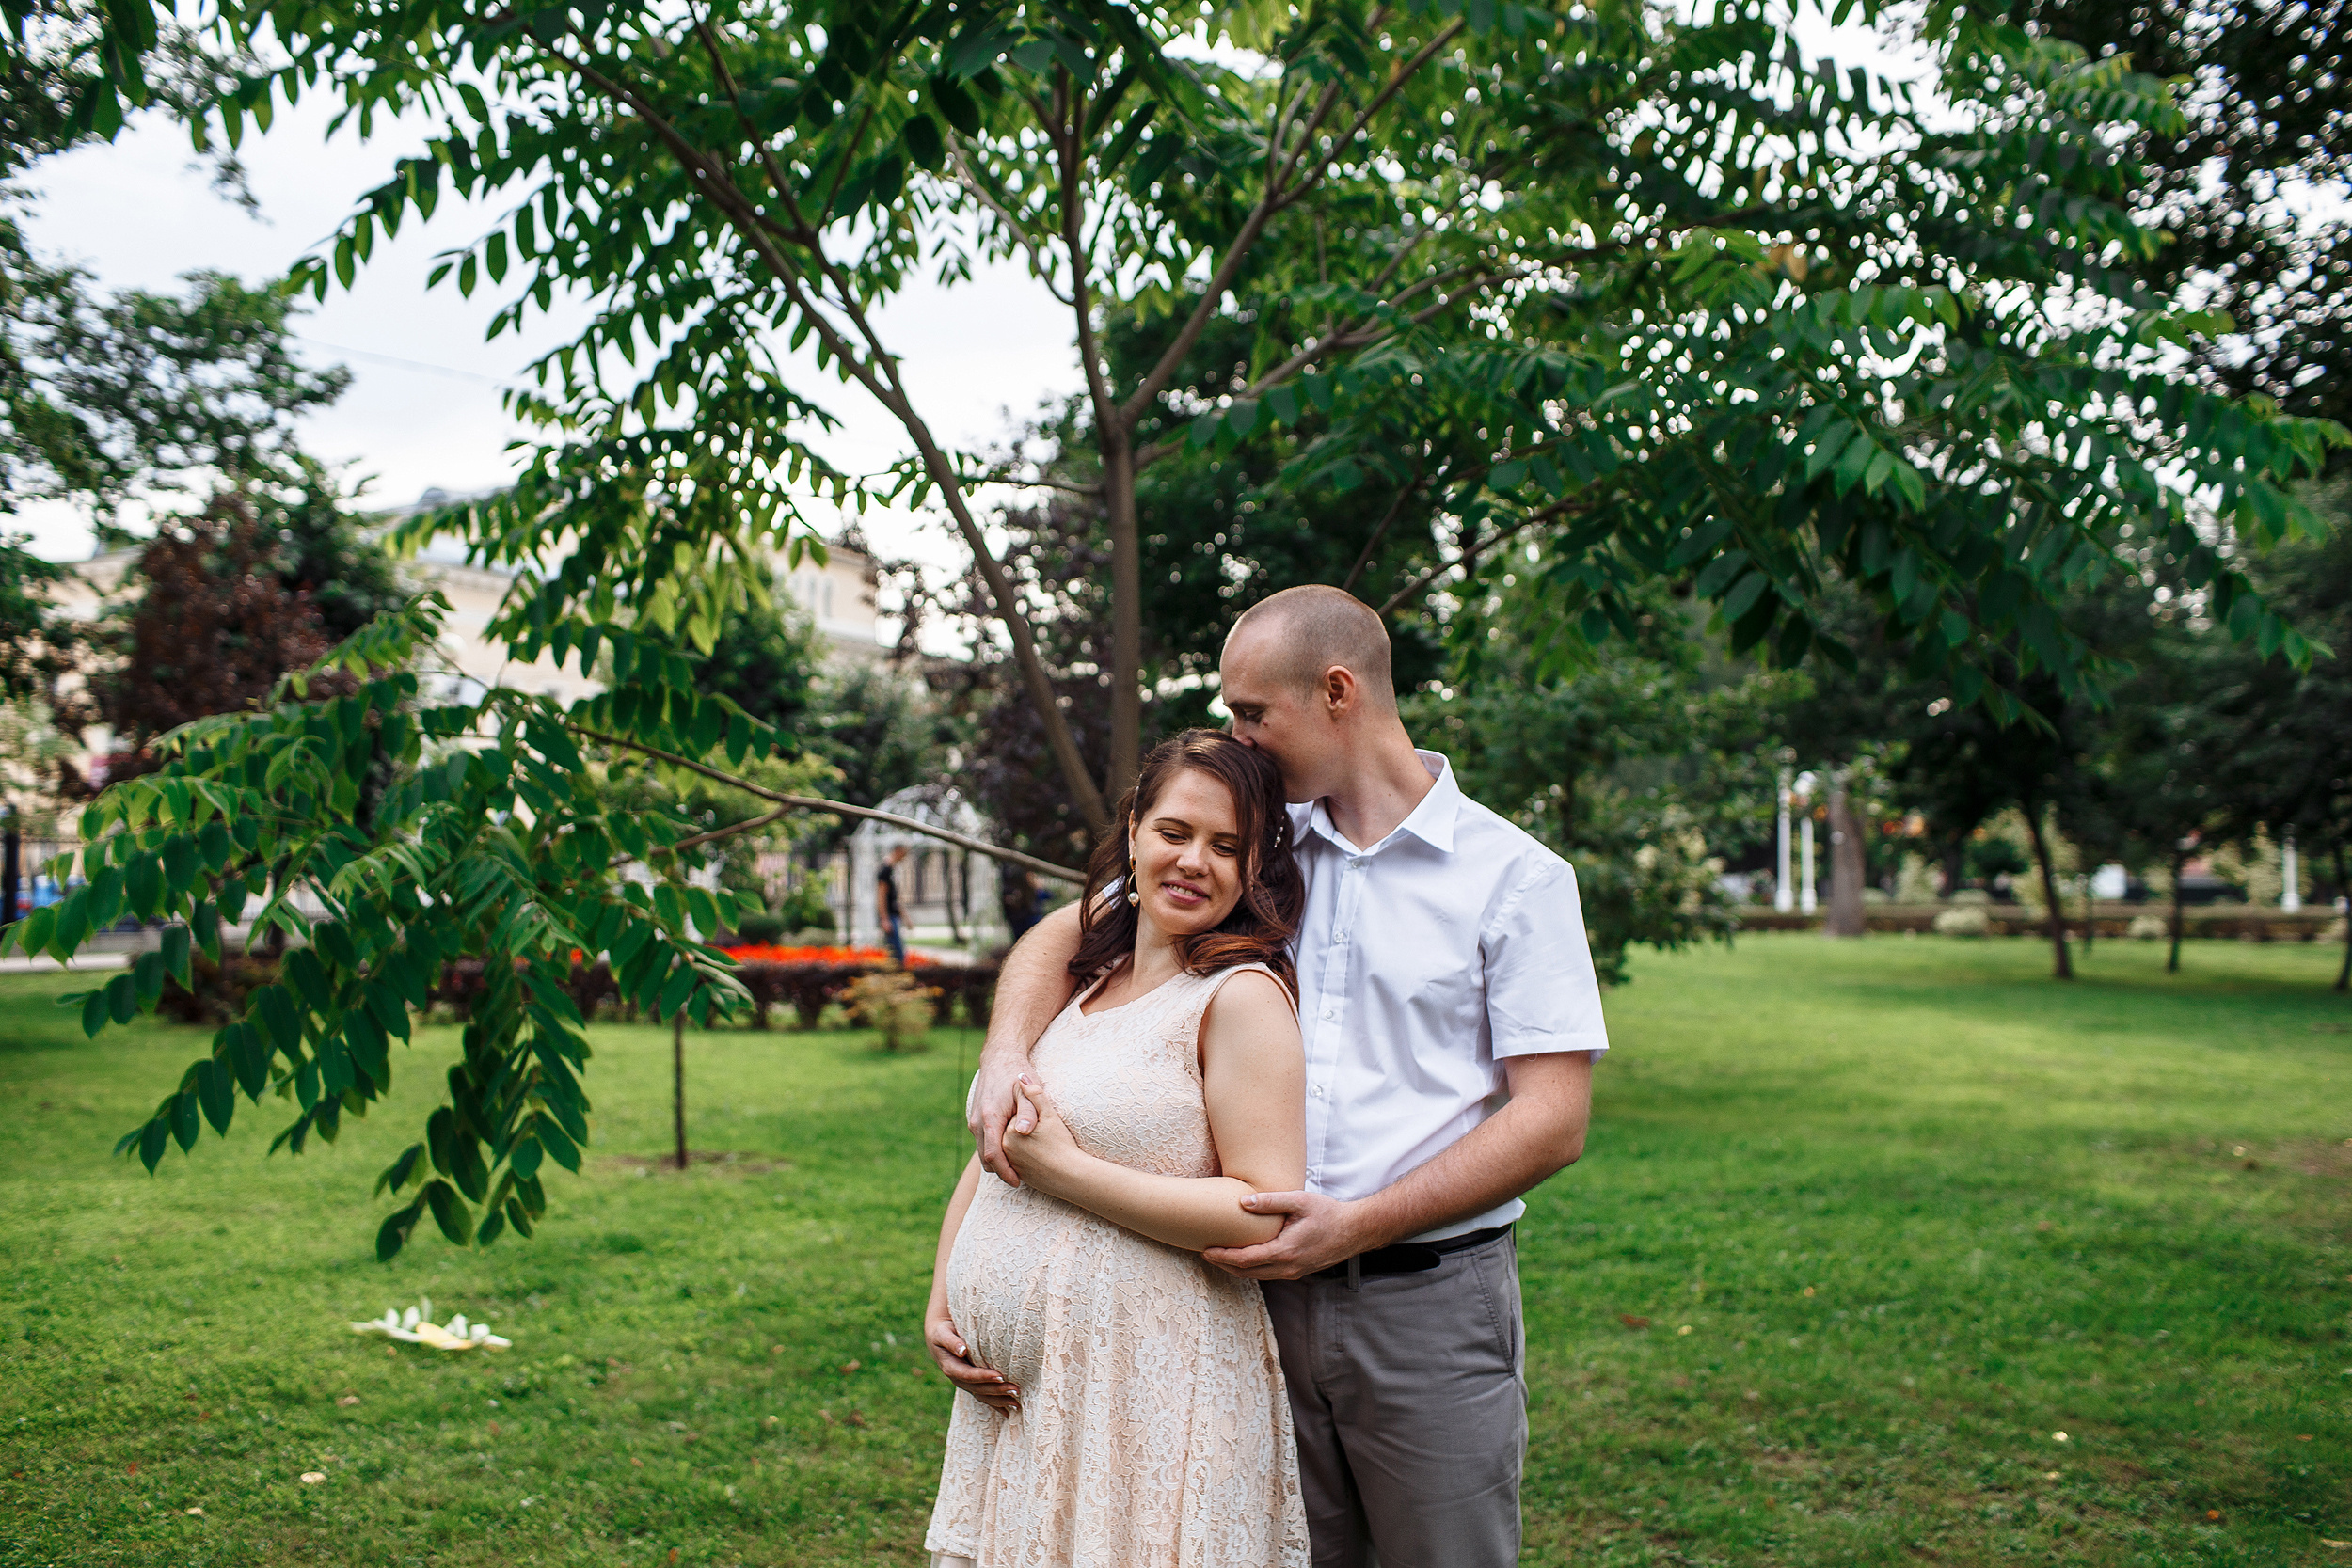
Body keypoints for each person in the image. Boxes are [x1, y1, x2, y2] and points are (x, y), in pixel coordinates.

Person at [966, 585, 1609, 1568]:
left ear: (1337, 691)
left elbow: (1554, 1119)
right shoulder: (1251, 845)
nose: (1237, 735)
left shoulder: (1513, 877)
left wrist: (1360, 1220)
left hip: (1423, 1304)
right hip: (1231, 1299)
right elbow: (1063, 933)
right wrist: (1006, 1053)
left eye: (1250, 711)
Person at [923, 730, 1311, 1568]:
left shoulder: (1238, 998)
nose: (1194, 861)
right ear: (1134, 830)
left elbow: (1260, 1209)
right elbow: (998, 1151)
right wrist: (943, 1299)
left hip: (1146, 1393)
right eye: (1175, 832)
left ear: (1253, 868)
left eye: (1227, 846)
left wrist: (1073, 1174)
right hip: (1027, 1406)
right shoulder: (1084, 983)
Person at [877, 844, 909, 966]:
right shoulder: (885, 870)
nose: (904, 858)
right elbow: (881, 896)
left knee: (898, 952)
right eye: (904, 854)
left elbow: (896, 899)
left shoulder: (892, 870)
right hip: (889, 917)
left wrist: (906, 918)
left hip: (893, 916)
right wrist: (884, 919)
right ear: (898, 851)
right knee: (897, 954)